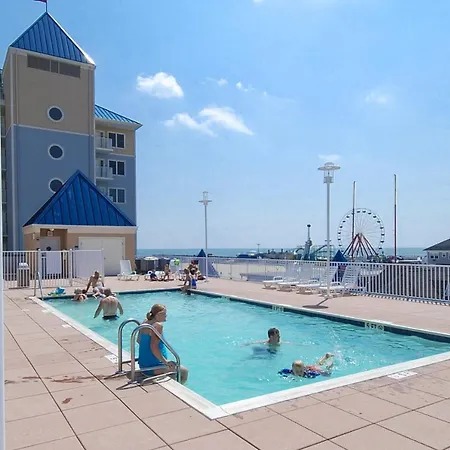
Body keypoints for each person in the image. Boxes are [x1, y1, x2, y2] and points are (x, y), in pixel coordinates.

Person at [138, 304, 188, 384]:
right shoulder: (157, 326)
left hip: (143, 364)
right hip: (153, 367)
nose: (166, 315)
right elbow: (154, 347)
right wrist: (165, 362)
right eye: (164, 313)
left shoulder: (145, 322)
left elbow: (138, 340)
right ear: (158, 314)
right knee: (184, 371)